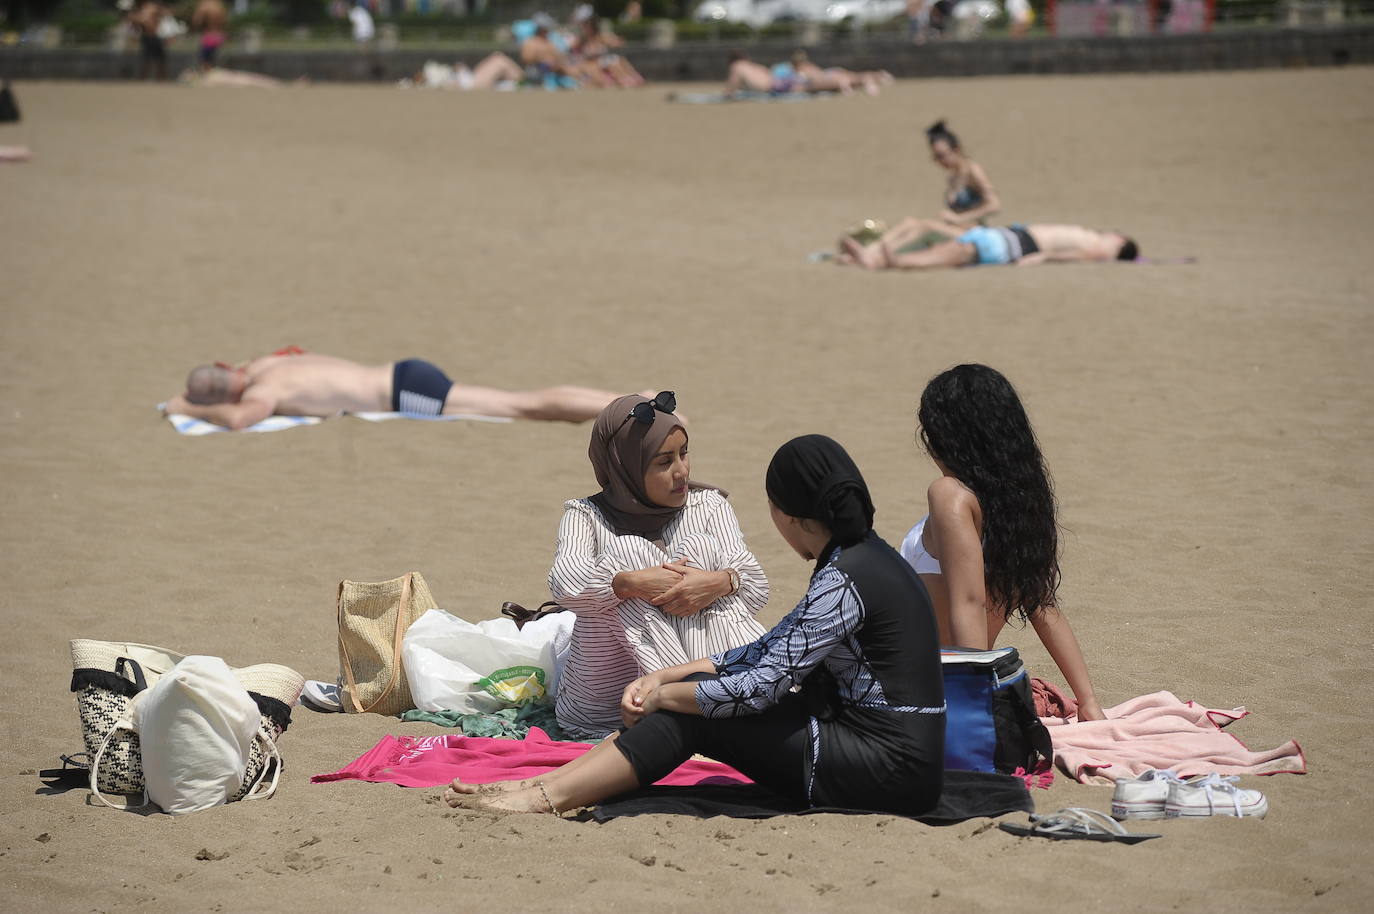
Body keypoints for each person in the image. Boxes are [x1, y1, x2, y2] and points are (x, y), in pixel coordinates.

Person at [446, 435, 946, 816]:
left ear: (787, 514)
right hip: (884, 755)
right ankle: (546, 787)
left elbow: (762, 685)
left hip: (886, 770)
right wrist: (667, 676)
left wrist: (666, 696)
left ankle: (545, 796)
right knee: (693, 695)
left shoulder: (847, 576)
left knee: (693, 711)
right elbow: (773, 647)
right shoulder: (861, 559)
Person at [548, 392, 769, 739]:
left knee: (702, 549)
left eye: (684, 453)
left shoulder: (707, 506)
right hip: (605, 699)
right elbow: (564, 585)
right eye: (663, 462)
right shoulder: (585, 515)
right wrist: (627, 583)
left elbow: (756, 587)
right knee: (630, 554)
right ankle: (693, 708)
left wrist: (718, 582)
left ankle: (718, 693)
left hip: (698, 670)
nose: (681, 471)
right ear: (626, 467)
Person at [902, 364, 1106, 720]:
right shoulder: (1017, 509)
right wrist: (1087, 701)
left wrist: (971, 709)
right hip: (960, 677)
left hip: (918, 682)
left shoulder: (950, 495)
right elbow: (1043, 606)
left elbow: (968, 602)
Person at [162, 349, 625, 429]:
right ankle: (624, 402)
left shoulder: (265, 391)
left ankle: (626, 404)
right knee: (520, 401)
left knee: (523, 406)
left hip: (405, 394)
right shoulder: (267, 363)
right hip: (403, 372)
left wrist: (187, 408)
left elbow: (242, 419)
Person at [844, 120, 1001, 262]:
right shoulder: (952, 178)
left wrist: (958, 218)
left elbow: (994, 205)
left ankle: (877, 256)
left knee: (927, 227)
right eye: (936, 157)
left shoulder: (973, 171)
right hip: (954, 230)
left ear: (956, 150)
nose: (940, 161)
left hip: (974, 234)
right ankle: (871, 251)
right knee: (910, 222)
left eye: (942, 156)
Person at [839, 222, 1139, 270]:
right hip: (1006, 237)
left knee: (943, 255)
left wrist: (1044, 257)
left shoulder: (1106, 248)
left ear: (1121, 241)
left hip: (1011, 246)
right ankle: (876, 260)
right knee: (942, 252)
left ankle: (887, 261)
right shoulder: (1097, 237)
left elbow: (1084, 256)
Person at [789, 50, 891, 96]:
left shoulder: (805, 69)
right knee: (855, 77)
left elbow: (815, 80)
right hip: (830, 74)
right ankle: (878, 75)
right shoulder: (807, 67)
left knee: (853, 77)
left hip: (830, 75)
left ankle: (877, 76)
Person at [406, 53, 525, 91]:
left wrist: (459, 69)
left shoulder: (433, 74)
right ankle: (525, 79)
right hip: (472, 83)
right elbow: (450, 86)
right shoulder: (433, 80)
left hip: (472, 78)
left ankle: (522, 79)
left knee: (497, 57)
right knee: (499, 60)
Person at [724, 51, 803, 96]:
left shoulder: (737, 65)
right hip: (776, 81)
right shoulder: (751, 65)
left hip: (772, 87)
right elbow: (767, 71)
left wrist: (728, 93)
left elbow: (733, 83)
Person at [130, 0, 170, 81]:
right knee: (146, 59)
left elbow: (163, 14)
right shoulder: (144, 9)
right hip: (147, 36)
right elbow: (136, 22)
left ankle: (161, 78)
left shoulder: (151, 7)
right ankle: (143, 78)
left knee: (159, 59)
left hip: (154, 36)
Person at [191, 0, 228, 73]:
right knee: (214, 59)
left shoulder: (204, 5)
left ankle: (206, 73)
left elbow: (197, 21)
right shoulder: (218, 5)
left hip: (208, 37)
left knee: (205, 61)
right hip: (219, 35)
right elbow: (225, 21)